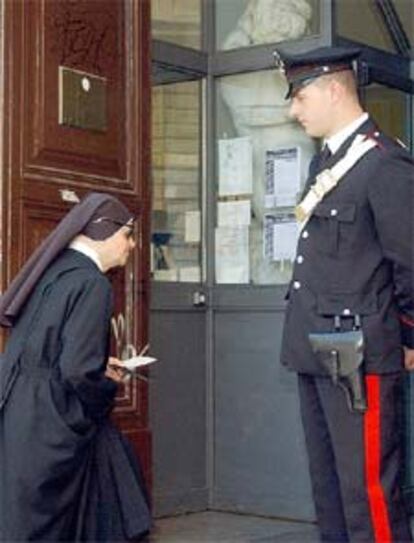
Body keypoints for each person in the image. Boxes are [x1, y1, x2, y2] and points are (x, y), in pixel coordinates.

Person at [276, 46, 414, 542]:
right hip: (314, 346)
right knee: (329, 488)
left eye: (301, 96)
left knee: (370, 491)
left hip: (360, 351)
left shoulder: (385, 164)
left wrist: (407, 337)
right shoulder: (324, 166)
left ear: (334, 89)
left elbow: (410, 263)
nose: (294, 109)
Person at [0, 192, 151, 541]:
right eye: (127, 234)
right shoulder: (92, 284)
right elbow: (76, 371)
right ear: (103, 230)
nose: (131, 246)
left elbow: (48, 348)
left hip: (20, 411)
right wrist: (107, 383)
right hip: (51, 420)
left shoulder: (56, 271)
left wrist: (94, 364)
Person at [220, 0, 315, 284]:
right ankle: (277, 268)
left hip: (286, 135)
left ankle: (288, 268)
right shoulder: (243, 39)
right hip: (255, 131)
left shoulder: (298, 50)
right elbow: (227, 66)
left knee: (290, 203)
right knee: (266, 204)